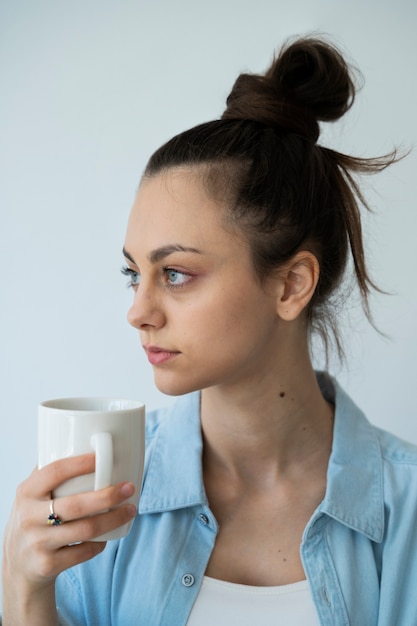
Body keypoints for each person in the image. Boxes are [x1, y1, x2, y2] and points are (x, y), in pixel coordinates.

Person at [2, 35, 417, 626]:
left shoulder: (407, 511)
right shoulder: (100, 496)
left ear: (291, 285)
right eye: (133, 272)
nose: (138, 310)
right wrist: (24, 591)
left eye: (174, 273)